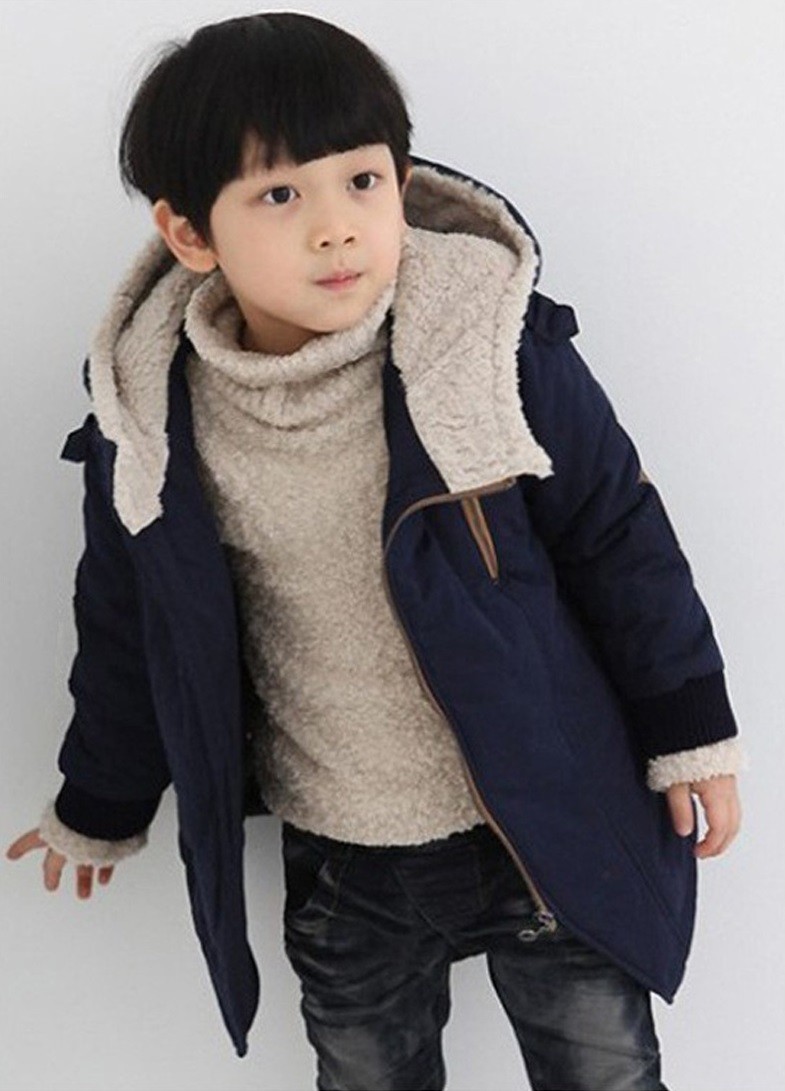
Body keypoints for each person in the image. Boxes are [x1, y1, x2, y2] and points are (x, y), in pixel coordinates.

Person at [5, 11, 744, 1091]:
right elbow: (128, 627)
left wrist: (689, 732)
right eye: (279, 195)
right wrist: (99, 802)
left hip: (544, 822)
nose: (335, 229)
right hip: (346, 856)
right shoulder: (152, 421)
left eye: (361, 181)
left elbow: (617, 535)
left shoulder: (489, 347)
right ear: (189, 233)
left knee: (604, 1075)